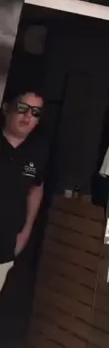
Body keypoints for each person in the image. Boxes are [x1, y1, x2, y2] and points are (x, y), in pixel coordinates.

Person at [0, 89, 46, 295]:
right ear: (6, 108)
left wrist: (26, 231)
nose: (28, 116)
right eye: (22, 108)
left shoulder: (35, 154)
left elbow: (36, 188)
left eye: (35, 112)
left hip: (4, 248)